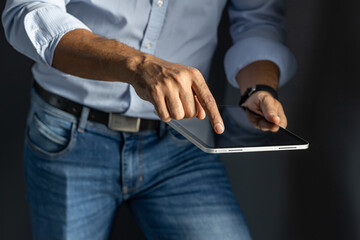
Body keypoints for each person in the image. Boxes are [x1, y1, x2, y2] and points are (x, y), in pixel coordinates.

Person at [2, 0, 296, 239]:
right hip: (69, 134)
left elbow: (258, 20)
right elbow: (27, 11)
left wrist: (259, 86)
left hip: (183, 143)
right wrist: (135, 65)